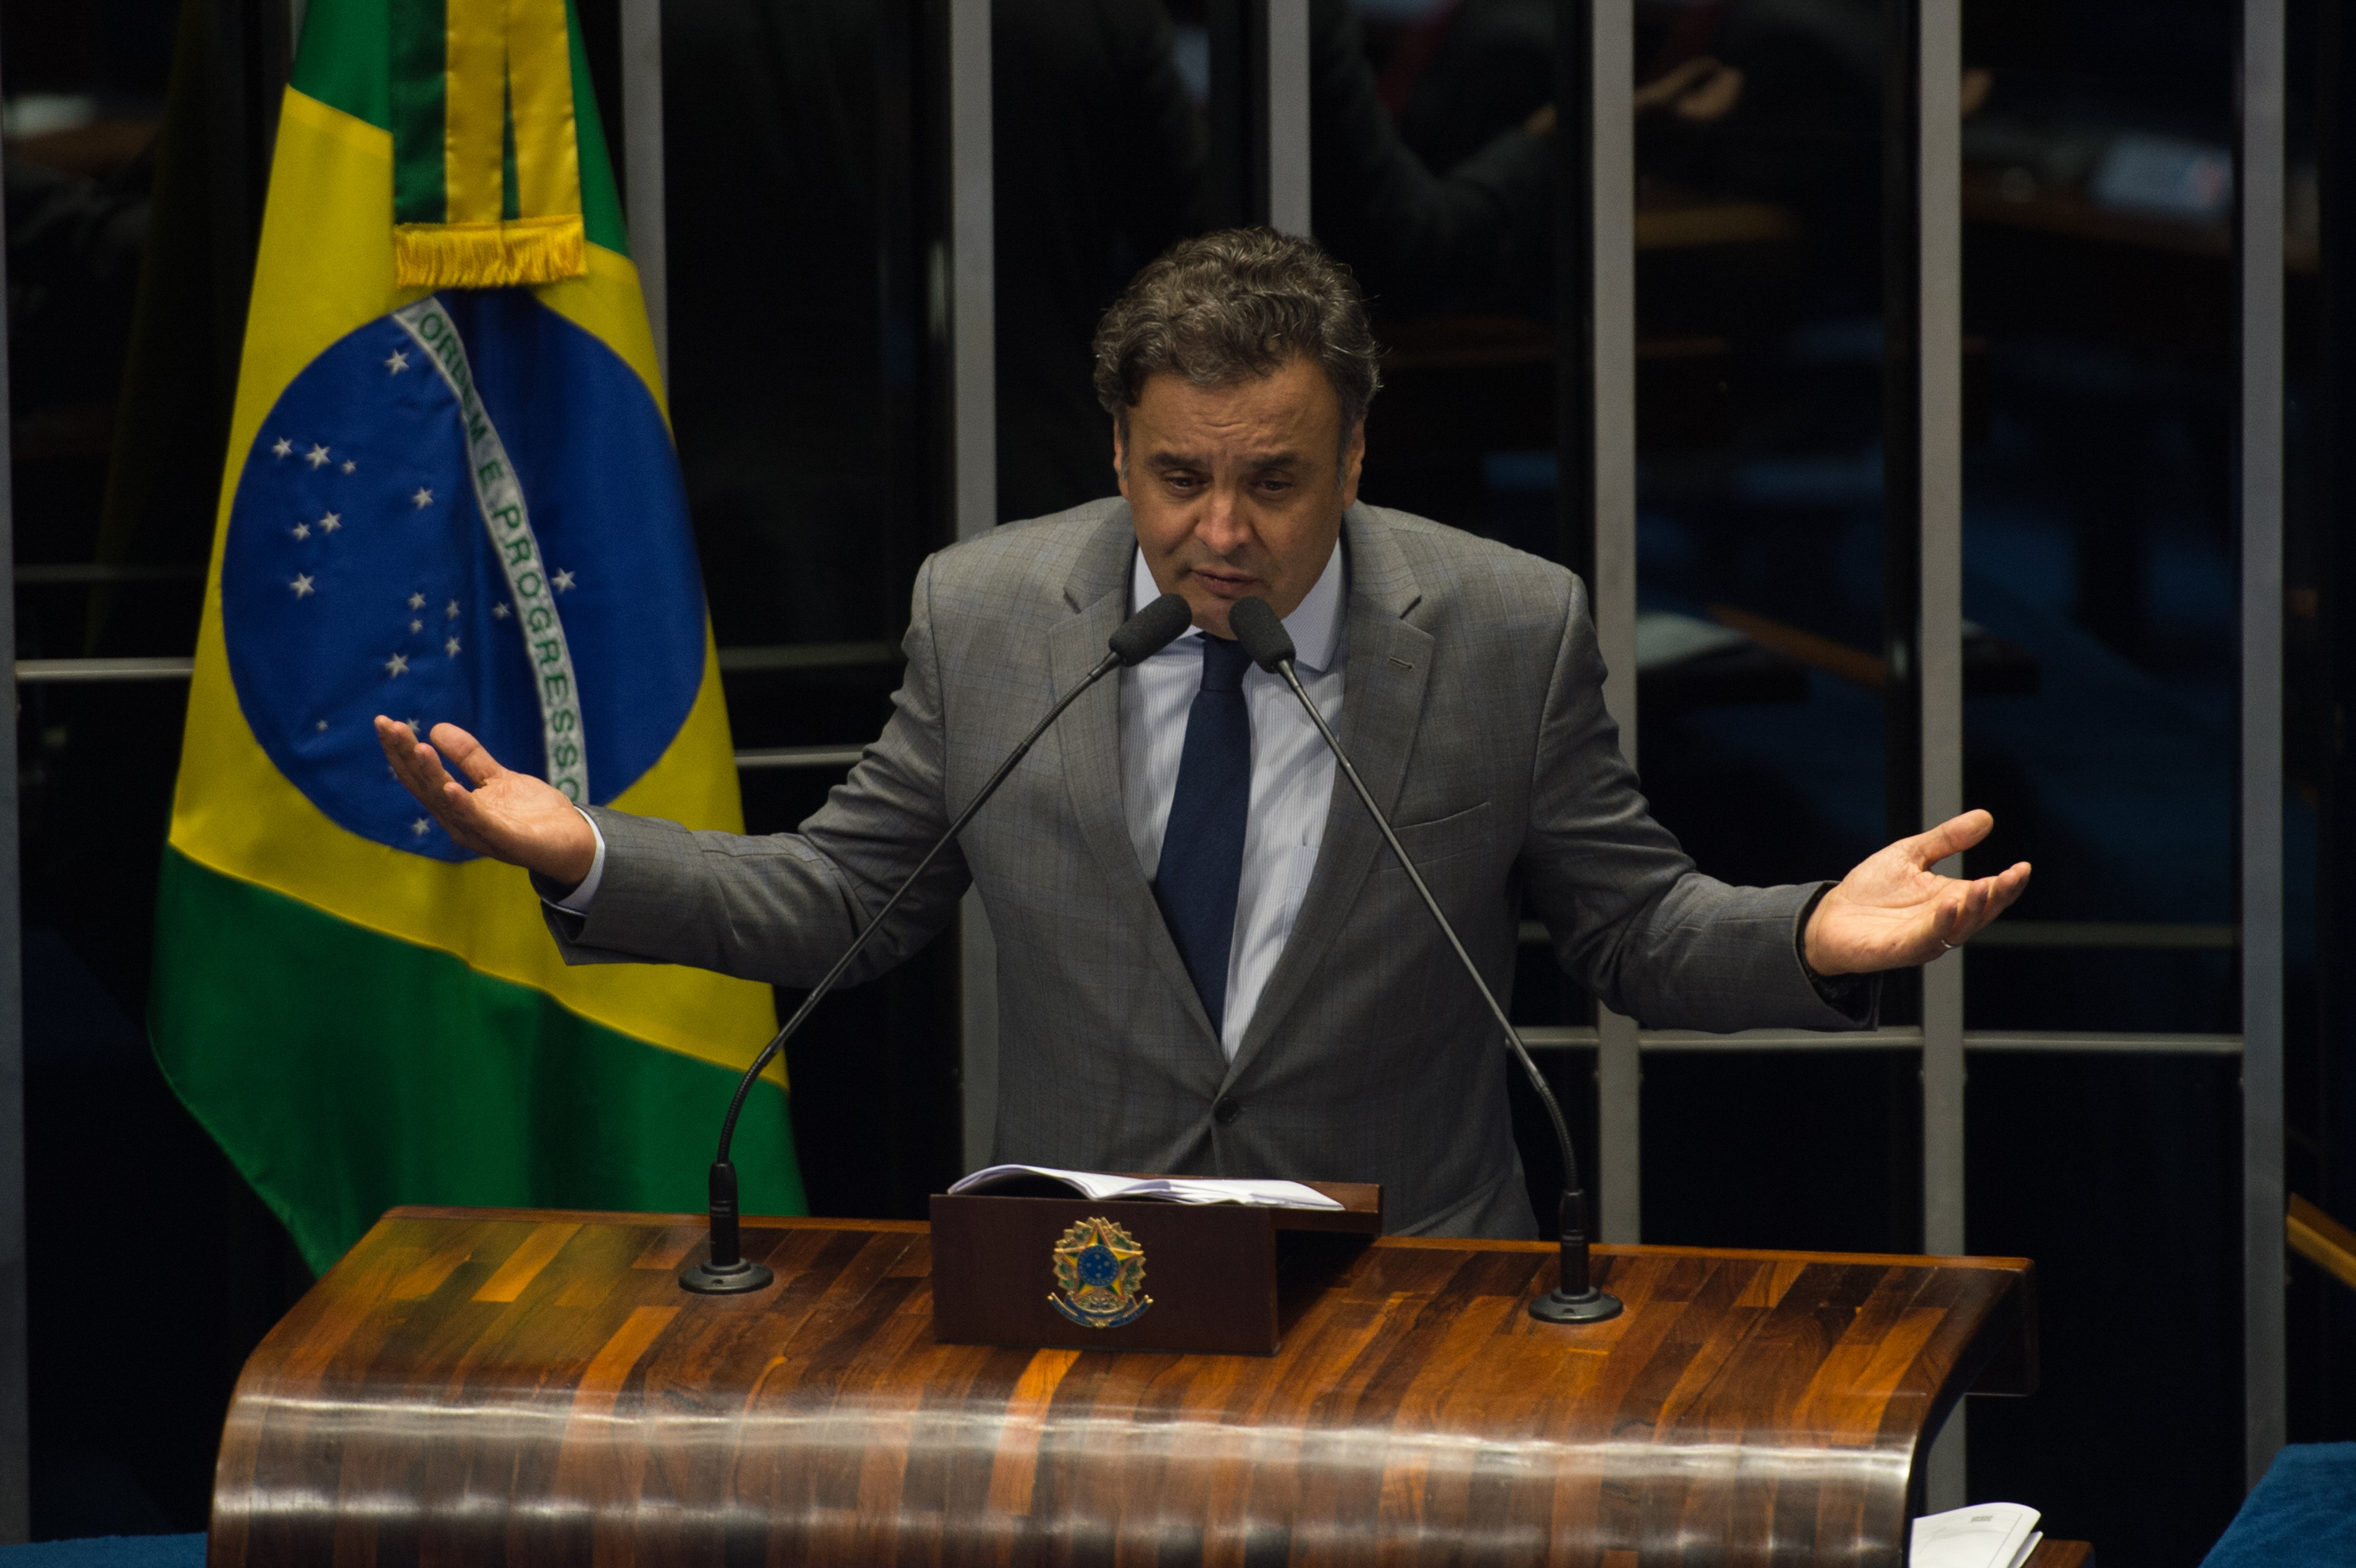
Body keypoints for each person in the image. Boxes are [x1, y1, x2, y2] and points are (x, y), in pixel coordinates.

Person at [375, 228, 2028, 1239]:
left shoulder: (1506, 627)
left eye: (1273, 478)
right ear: (1119, 452)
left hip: (1409, 1280)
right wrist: (584, 849)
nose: (1219, 527)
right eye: (1180, 475)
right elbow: (837, 901)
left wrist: (1811, 932)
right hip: (1084, 1279)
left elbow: (1630, 924)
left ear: (1356, 456)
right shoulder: (989, 612)